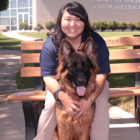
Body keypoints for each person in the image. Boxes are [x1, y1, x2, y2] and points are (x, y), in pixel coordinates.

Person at [34, 1, 110, 140]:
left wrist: (90, 100)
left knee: (101, 107)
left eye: (78, 19)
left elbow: (101, 75)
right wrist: (62, 96)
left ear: (85, 22)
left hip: (94, 83)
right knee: (50, 105)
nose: (72, 24)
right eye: (68, 19)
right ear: (60, 21)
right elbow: (48, 77)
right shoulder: (51, 44)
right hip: (62, 83)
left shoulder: (96, 41)